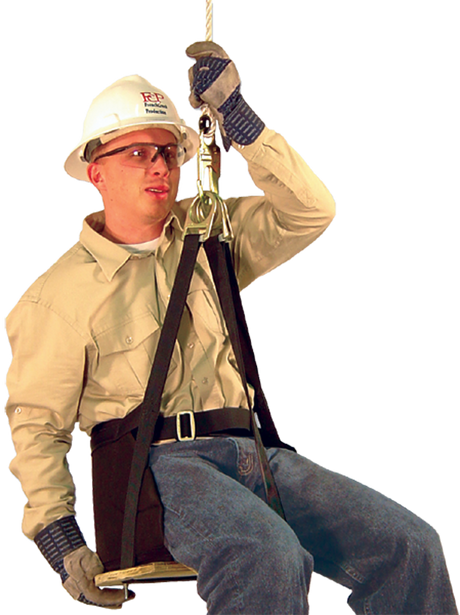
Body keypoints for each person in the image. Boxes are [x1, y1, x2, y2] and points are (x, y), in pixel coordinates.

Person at [3, 40, 457, 615]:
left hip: (259, 451)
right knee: (267, 553)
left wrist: (241, 119)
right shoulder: (55, 297)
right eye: (137, 153)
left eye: (168, 152)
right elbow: (38, 428)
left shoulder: (211, 232)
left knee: (410, 545)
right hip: (161, 467)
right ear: (96, 172)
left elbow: (312, 211)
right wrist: (59, 536)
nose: (160, 166)